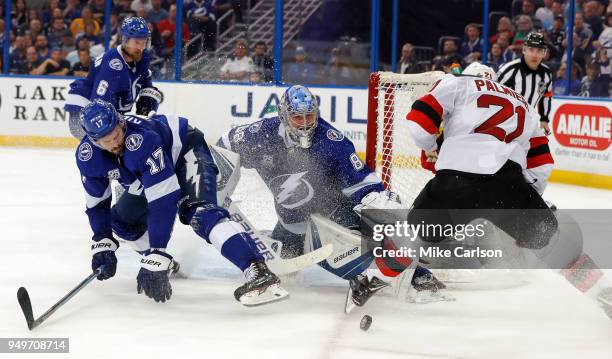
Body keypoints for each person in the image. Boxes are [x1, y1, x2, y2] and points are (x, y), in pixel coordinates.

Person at [406, 62, 612, 319]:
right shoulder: (523, 104)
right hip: (508, 185)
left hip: (457, 182)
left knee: (415, 229)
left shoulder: (456, 82)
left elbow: (418, 123)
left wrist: (429, 147)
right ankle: (603, 292)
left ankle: (378, 276)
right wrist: (527, 202)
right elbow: (542, 166)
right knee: (550, 242)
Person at [217, 85, 447, 308]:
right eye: (299, 117)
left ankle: (418, 273)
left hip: (333, 217)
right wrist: (218, 183)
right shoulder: (260, 135)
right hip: (290, 224)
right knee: (278, 270)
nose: (306, 124)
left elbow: (365, 185)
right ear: (283, 116)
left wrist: (386, 210)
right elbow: (223, 146)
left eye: (310, 116)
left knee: (359, 254)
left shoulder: (331, 142)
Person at [76, 99, 288, 305]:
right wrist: (102, 241)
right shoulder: (88, 157)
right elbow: (97, 205)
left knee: (199, 213)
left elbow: (163, 201)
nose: (115, 142)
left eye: (116, 134)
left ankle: (257, 270)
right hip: (147, 170)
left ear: (121, 123)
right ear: (94, 142)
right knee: (122, 222)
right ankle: (165, 266)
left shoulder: (141, 140)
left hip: (184, 152)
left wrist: (157, 252)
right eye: (106, 140)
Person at [64, 17, 163, 139]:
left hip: (101, 108)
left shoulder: (142, 56)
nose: (141, 47)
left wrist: (147, 108)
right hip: (84, 112)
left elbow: (145, 81)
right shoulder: (112, 67)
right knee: (111, 143)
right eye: (137, 42)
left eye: (144, 42)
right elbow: (99, 107)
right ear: (125, 40)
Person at [497, 32, 553, 135]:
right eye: (531, 50)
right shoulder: (510, 69)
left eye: (539, 50)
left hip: (529, 123)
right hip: (505, 124)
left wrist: (544, 119)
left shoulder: (546, 74)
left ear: (544, 53)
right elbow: (491, 90)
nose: (534, 55)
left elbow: (546, 96)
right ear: (524, 50)